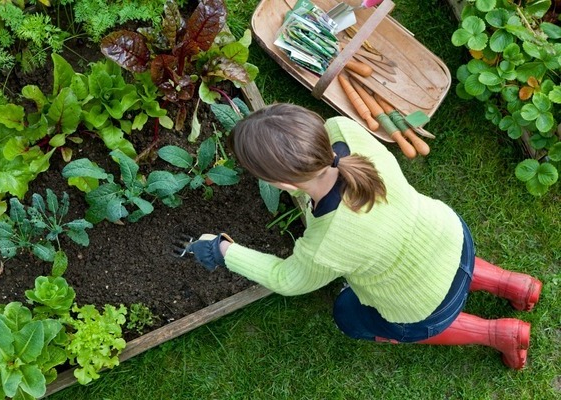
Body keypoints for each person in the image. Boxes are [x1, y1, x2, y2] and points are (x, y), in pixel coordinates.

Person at [186, 103, 542, 370]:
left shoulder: (326, 244)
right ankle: (514, 284)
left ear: (283, 185)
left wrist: (223, 250)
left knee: (349, 315)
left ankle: (499, 334)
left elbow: (286, 279)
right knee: (434, 258)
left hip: (426, 304)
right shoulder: (344, 131)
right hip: (450, 235)